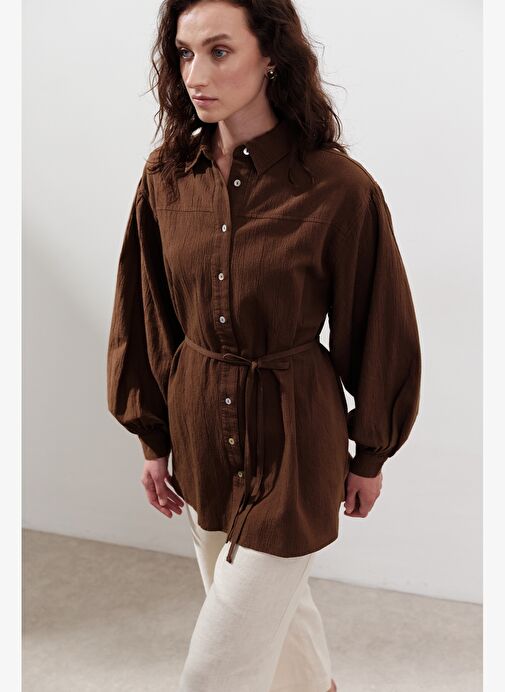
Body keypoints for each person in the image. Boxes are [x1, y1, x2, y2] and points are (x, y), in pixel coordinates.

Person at [106, 0, 422, 690]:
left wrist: (371, 450)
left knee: (212, 673)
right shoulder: (166, 178)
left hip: (294, 445)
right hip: (200, 438)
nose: (196, 74)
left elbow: (379, 323)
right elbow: (144, 312)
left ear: (271, 55)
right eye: (184, 53)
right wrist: (152, 436)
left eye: (219, 51)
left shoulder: (338, 189)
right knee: (282, 630)